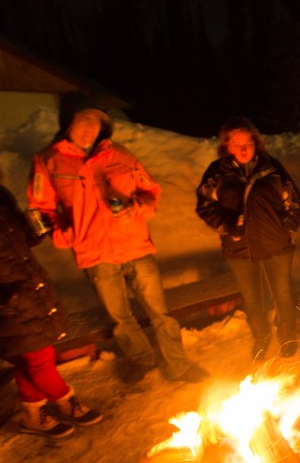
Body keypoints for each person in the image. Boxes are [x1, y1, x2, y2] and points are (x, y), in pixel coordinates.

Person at [0, 110, 102, 438]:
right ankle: (66, 400)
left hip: (29, 289)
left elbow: (17, 240)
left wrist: (33, 230)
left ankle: (31, 415)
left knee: (31, 358)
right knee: (39, 358)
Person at [29, 93, 208, 385]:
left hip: (135, 246)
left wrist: (135, 208)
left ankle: (178, 365)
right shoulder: (49, 161)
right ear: (68, 121)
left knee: (161, 313)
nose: (90, 128)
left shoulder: (120, 154)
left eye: (97, 122)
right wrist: (64, 233)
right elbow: (40, 209)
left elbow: (151, 191)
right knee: (120, 317)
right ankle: (142, 359)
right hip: (95, 253)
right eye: (83, 119)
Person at [196, 116, 300, 359]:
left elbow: (296, 204)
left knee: (283, 294)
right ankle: (261, 335)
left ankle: (287, 334)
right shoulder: (217, 173)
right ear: (226, 145)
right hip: (239, 247)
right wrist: (227, 226)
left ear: (256, 143)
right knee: (252, 297)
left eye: (248, 143)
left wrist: (285, 230)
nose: (243, 149)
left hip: (276, 245)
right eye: (237, 144)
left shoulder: (272, 169)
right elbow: (204, 206)